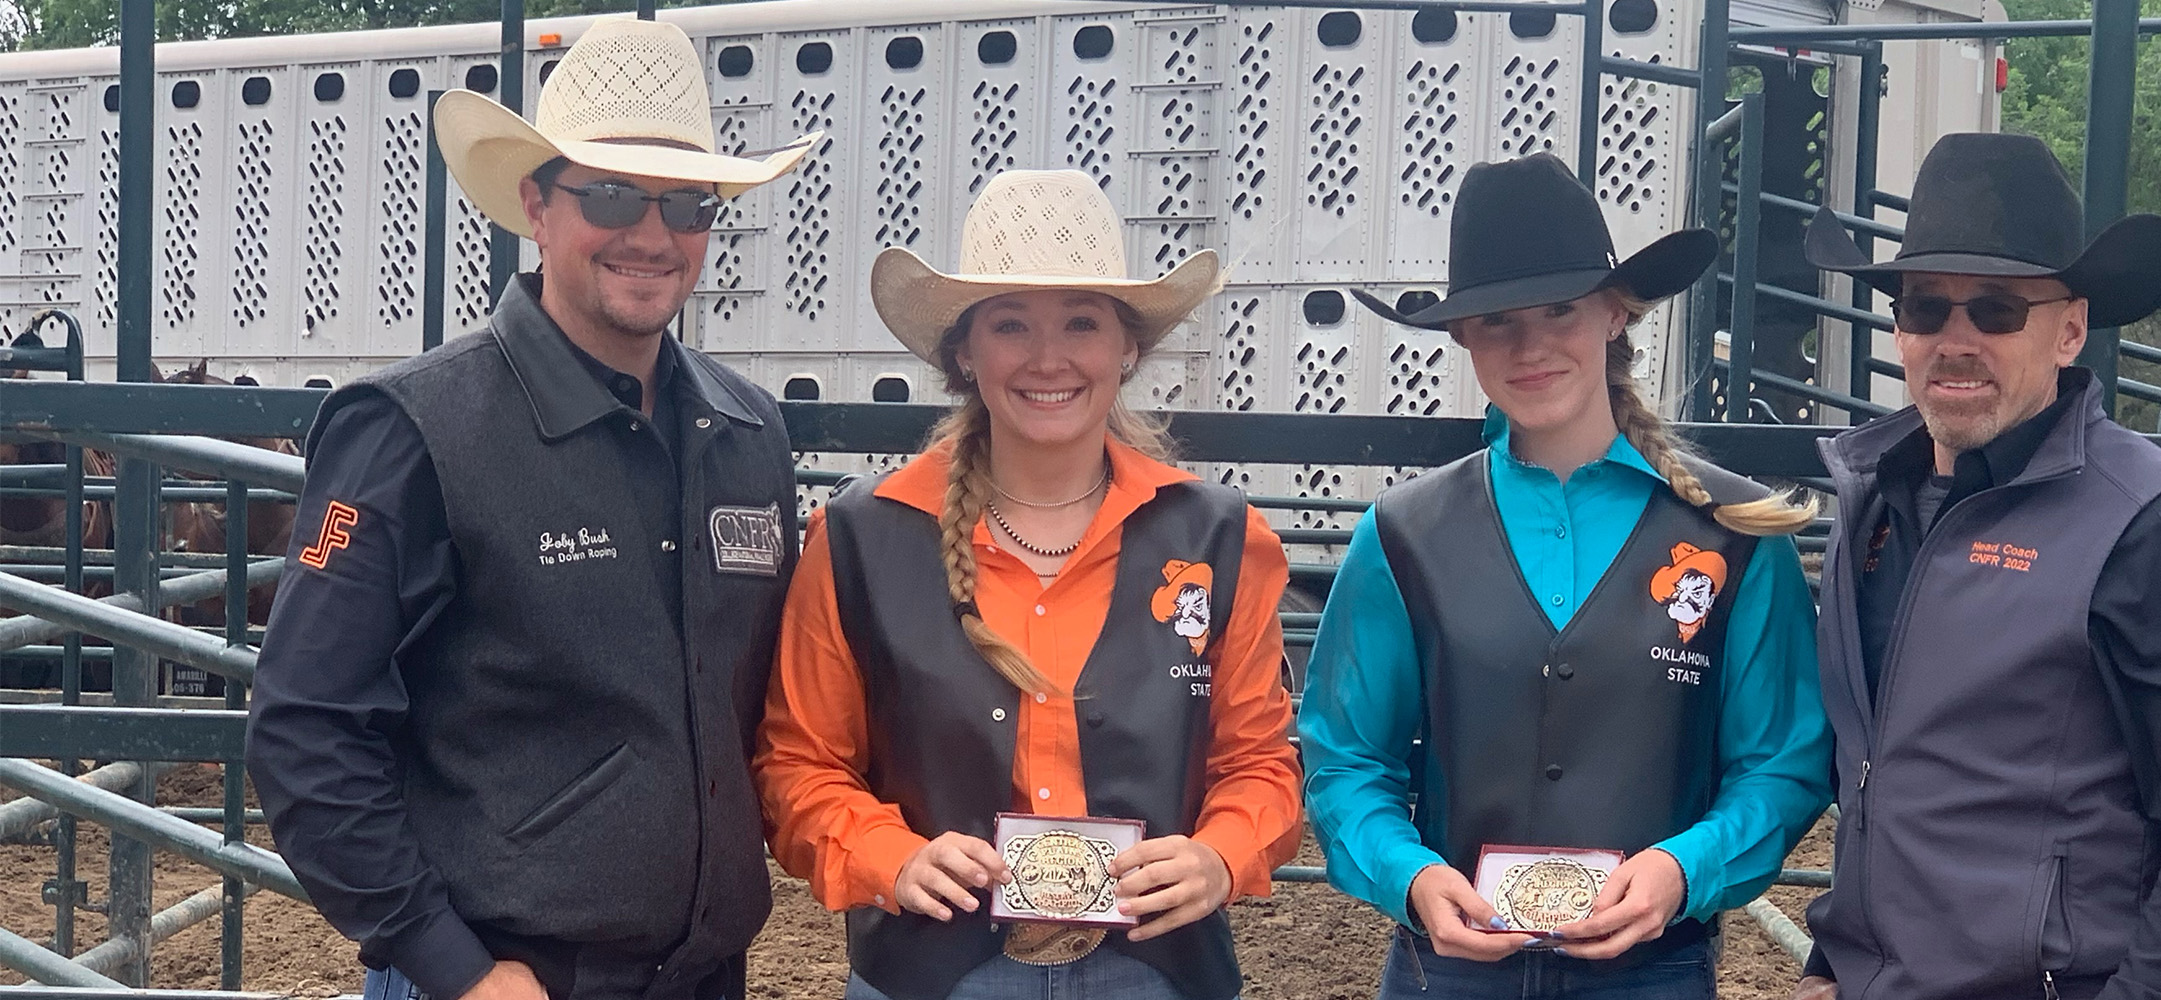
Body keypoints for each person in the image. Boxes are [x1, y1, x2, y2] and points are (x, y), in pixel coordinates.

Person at [245, 18, 815, 1000]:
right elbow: (305, 726)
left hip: (704, 974)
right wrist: (450, 964)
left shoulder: (748, 432)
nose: (651, 233)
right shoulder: (411, 429)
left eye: (687, 201)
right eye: (608, 193)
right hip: (505, 980)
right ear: (535, 206)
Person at [752, 169, 1302, 1000]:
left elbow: (1260, 761)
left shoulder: (1223, 538)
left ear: (1127, 348)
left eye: (1082, 322)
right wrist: (890, 858)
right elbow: (799, 763)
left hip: (1156, 971)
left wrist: (1218, 856)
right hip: (932, 972)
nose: (1049, 359)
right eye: (1011, 324)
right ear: (965, 353)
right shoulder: (862, 536)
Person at [1300, 152, 1833, 999]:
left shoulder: (1735, 536)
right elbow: (1344, 758)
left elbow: (1784, 760)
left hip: (1651, 972)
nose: (1532, 344)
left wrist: (1682, 868)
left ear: (1615, 313)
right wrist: (1409, 876)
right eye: (1497, 320)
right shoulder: (1401, 535)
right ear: (1463, 337)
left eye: (1560, 310)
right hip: (1450, 971)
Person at [1789, 132, 2161, 1000]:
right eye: (1925, 308)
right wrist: (1836, 958)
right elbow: (1883, 779)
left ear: (2070, 330)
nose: (1956, 339)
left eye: (1996, 310)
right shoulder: (1873, 501)